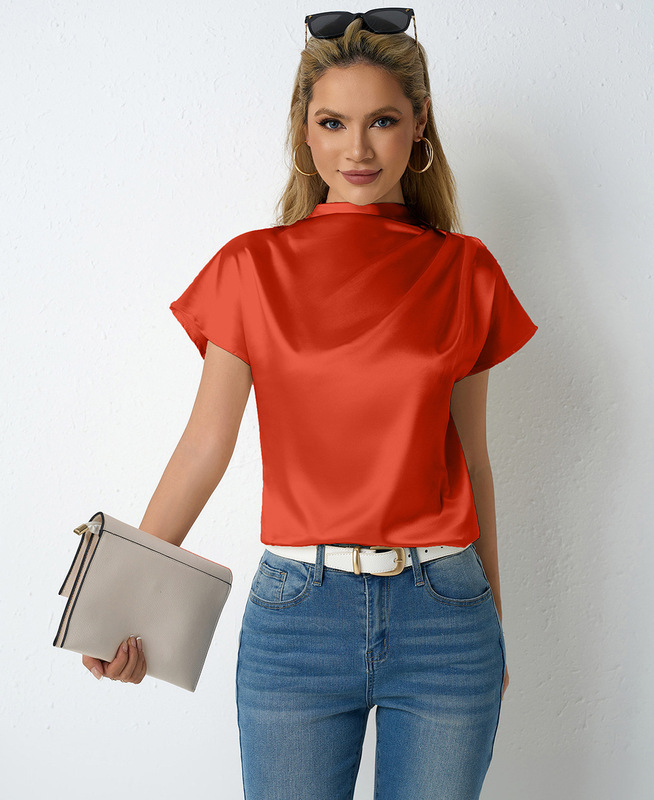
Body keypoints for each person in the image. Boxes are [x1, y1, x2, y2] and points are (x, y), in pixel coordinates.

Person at [82, 9, 538, 800]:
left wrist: (491, 622)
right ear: (304, 131)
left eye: (382, 121)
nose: (357, 149)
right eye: (333, 123)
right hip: (297, 616)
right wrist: (121, 601)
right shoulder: (251, 269)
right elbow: (204, 447)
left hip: (446, 613)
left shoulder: (466, 272)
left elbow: (474, 461)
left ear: (419, 125)